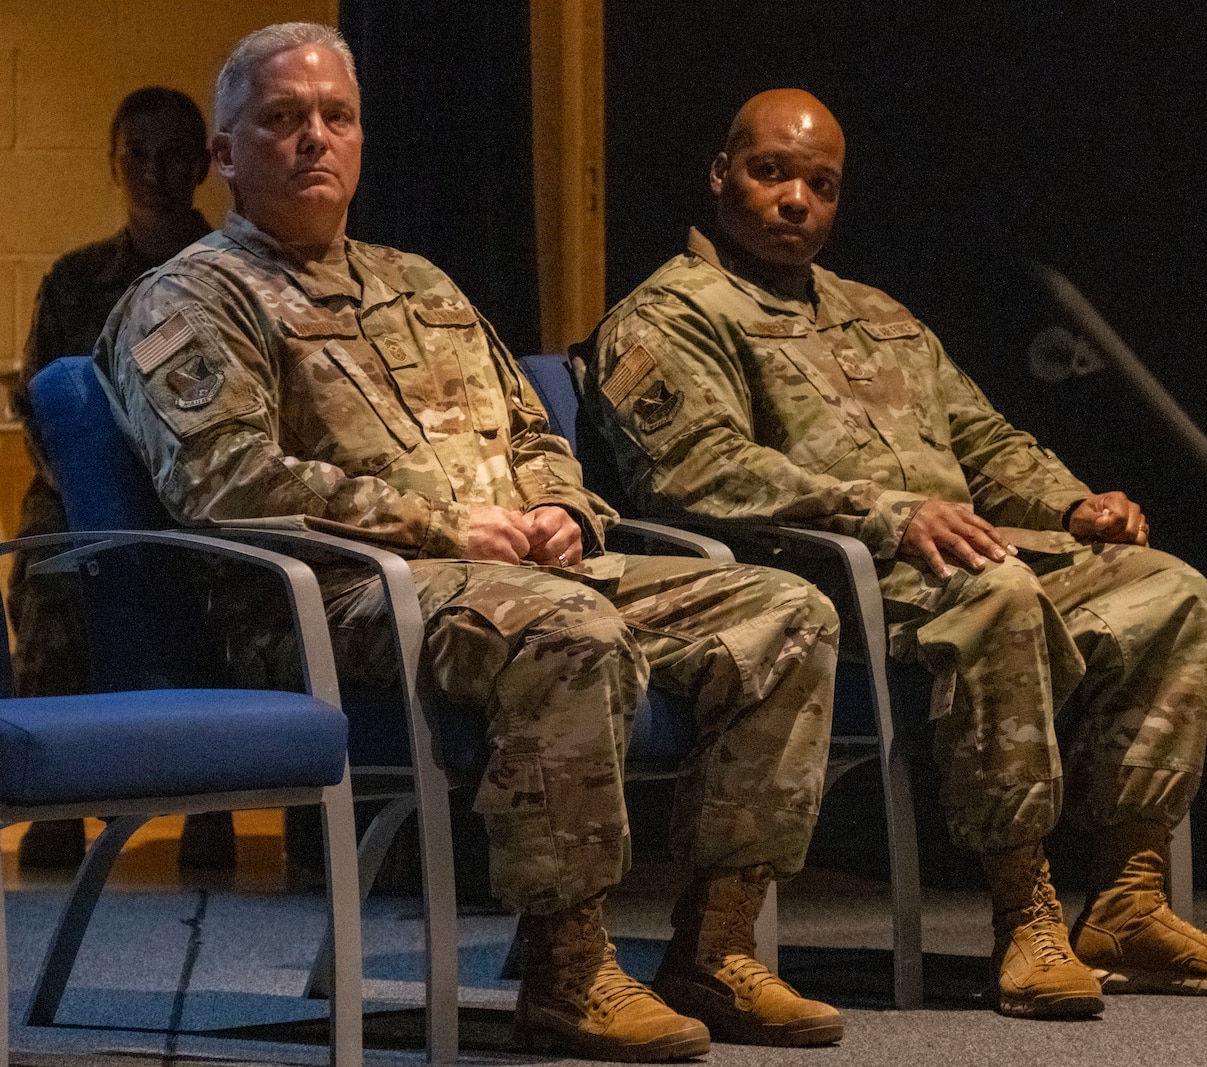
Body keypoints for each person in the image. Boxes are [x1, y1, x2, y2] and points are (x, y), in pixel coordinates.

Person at [95, 27, 843, 1060]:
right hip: (335, 602)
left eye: (336, 117)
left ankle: (715, 944)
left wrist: (559, 509)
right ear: (225, 154)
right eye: (281, 118)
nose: (316, 136)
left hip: (512, 573)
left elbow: (537, 430)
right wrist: (445, 525)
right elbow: (224, 482)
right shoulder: (190, 297)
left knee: (786, 613)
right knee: (568, 627)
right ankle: (566, 964)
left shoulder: (420, 282)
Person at [575, 89, 1207, 1019]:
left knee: (1168, 590)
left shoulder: (878, 313)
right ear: (721, 173)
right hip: (820, 573)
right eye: (771, 172)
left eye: (821, 184)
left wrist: (1075, 505)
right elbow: (700, 473)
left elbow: (987, 444)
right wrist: (886, 511)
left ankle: (1127, 899)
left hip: (950, 554)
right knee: (995, 592)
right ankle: (1020, 910)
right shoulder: (670, 313)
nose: (796, 199)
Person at [10, 87, 233, 871]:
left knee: (227, 586)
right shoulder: (76, 280)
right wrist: (85, 489)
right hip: (76, 493)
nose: (153, 171)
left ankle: (210, 803)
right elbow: (39, 402)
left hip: (200, 496)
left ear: (204, 164)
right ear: (113, 163)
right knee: (48, 570)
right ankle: (55, 800)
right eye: (135, 154)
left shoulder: (230, 274)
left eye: (173, 153)